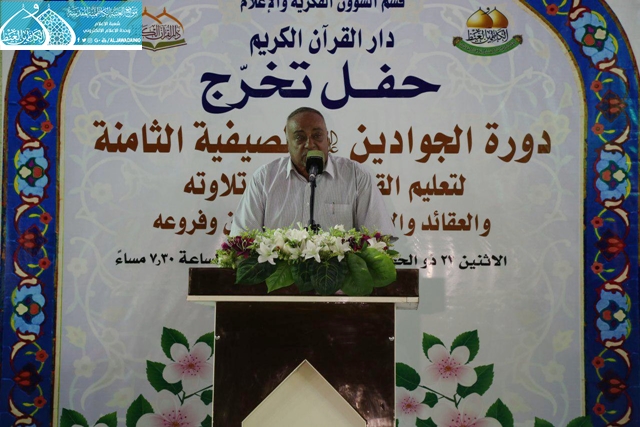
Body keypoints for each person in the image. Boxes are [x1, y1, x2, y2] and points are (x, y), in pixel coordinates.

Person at [229, 107, 396, 236]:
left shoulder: (356, 176)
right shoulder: (264, 178)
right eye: (300, 137)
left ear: (328, 139)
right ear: (287, 141)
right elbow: (242, 240)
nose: (310, 144)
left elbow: (378, 239)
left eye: (317, 136)